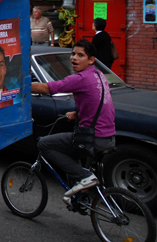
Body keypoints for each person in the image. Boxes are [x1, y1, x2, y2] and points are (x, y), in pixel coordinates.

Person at [32, 40, 116, 204]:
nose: (74, 58)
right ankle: (79, 198)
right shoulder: (98, 75)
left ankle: (84, 177)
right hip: (108, 136)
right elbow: (96, 101)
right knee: (72, 151)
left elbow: (47, 88)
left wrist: (19, 85)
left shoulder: (80, 78)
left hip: (93, 138)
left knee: (45, 144)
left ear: (91, 60)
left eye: (80, 55)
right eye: (73, 54)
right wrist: (77, 114)